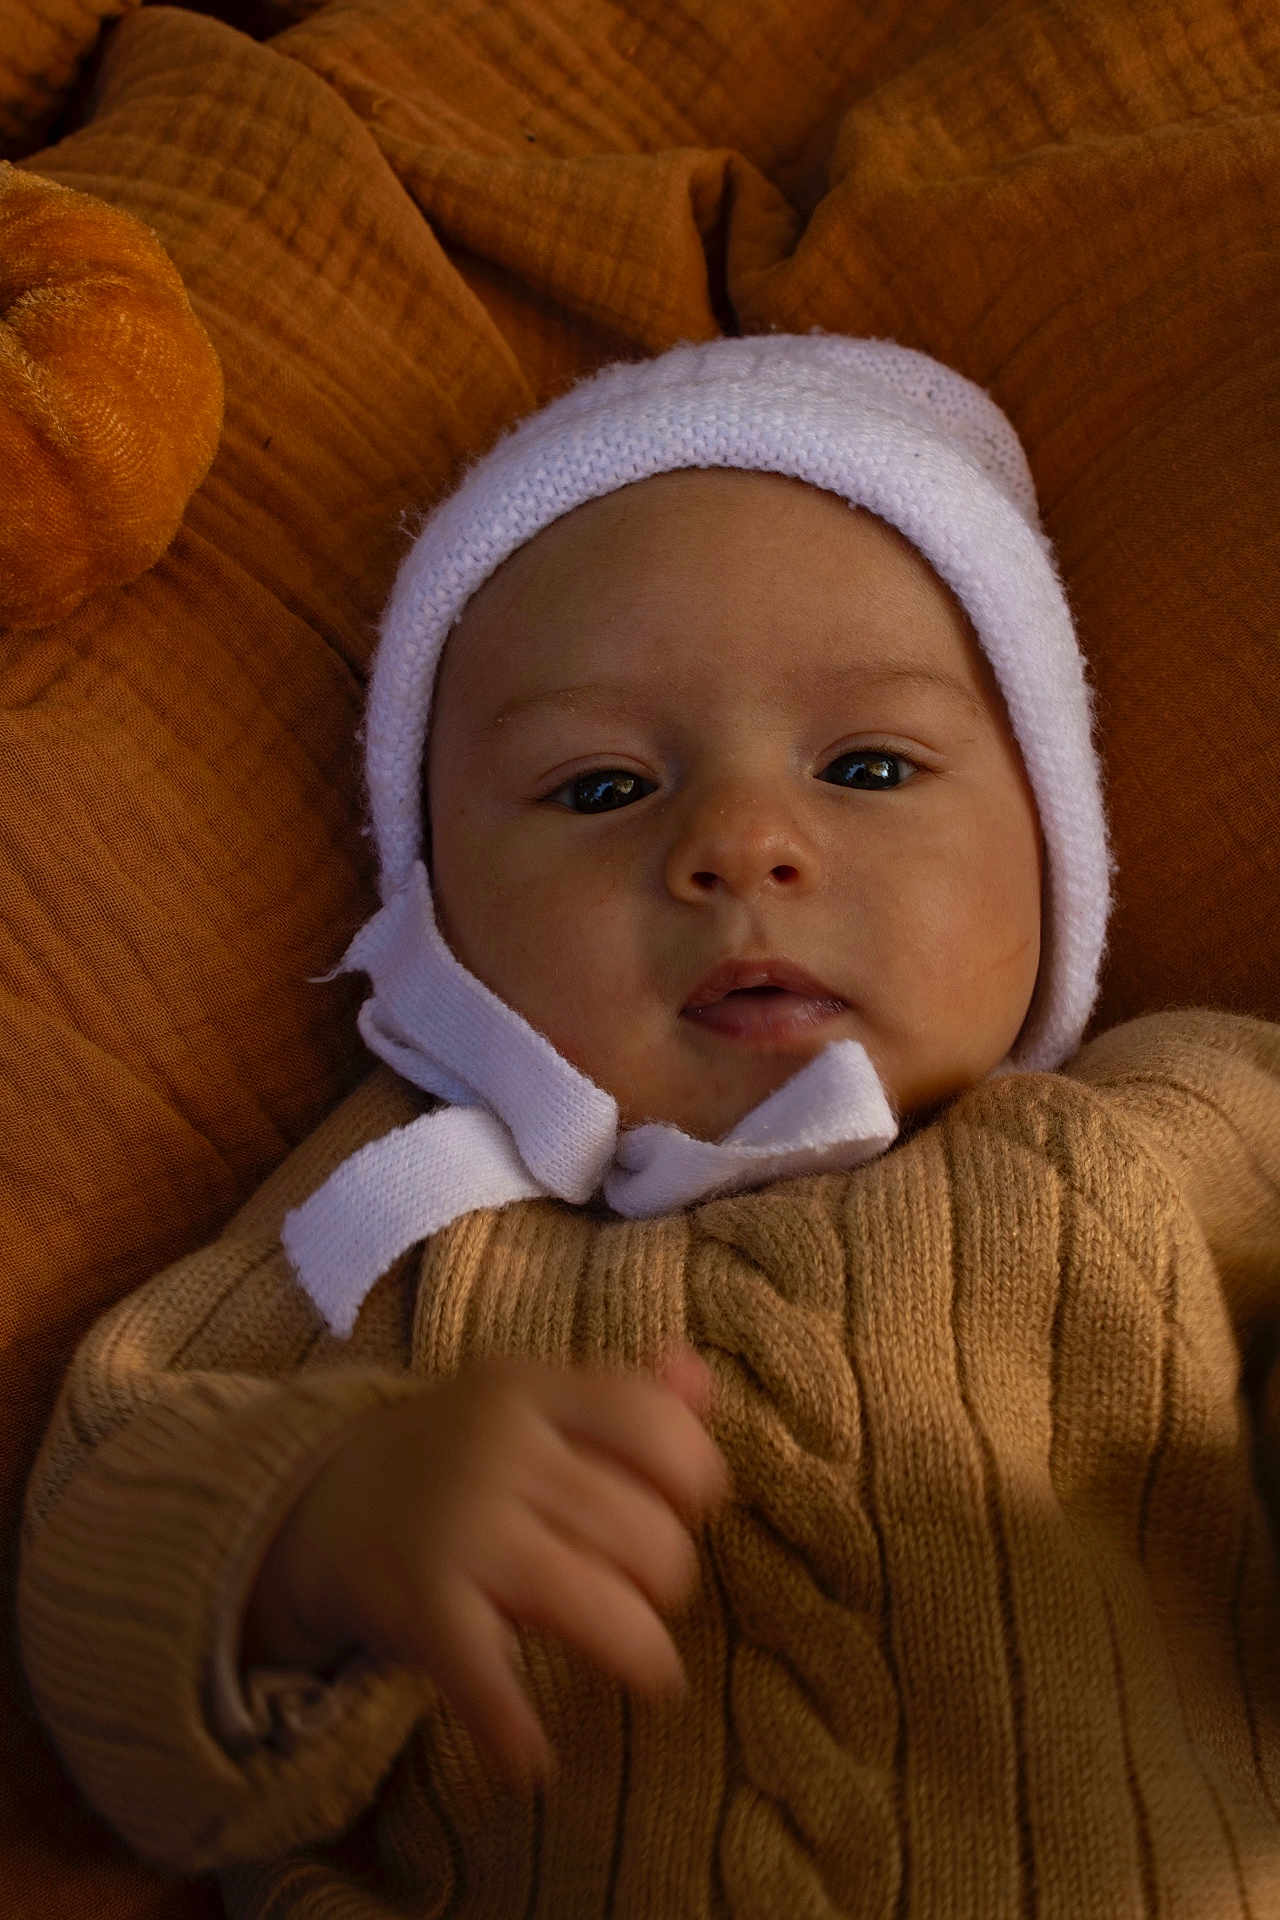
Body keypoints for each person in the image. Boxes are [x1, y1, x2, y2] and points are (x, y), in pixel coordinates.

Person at [18, 334, 1280, 1919]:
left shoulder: (1173, 1134)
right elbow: (92, 1545)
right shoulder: (398, 1221)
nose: (740, 844)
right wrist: (320, 1533)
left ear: (1055, 846)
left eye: (871, 766)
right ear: (438, 911)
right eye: (603, 789)